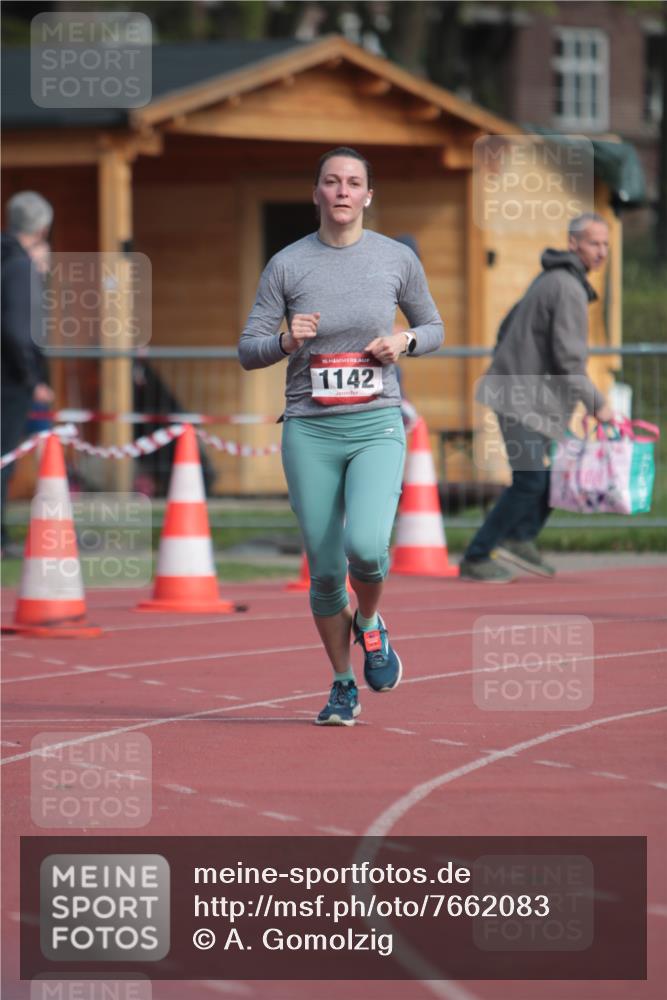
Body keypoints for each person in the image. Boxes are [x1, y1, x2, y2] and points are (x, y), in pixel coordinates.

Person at [239, 147, 444, 726]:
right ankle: (340, 683)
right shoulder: (286, 265)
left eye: (354, 183)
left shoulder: (395, 259)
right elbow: (247, 348)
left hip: (376, 421)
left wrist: (404, 343)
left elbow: (434, 327)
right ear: (317, 193)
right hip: (310, 427)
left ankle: (372, 623)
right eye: (332, 182)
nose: (343, 191)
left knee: (368, 550)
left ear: (368, 196)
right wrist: (283, 341)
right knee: (327, 569)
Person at [459, 213, 613, 583]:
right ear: (573, 244)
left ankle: (520, 538)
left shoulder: (551, 279)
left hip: (530, 400)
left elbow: (505, 326)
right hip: (520, 400)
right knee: (530, 480)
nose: (602, 252)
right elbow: (568, 359)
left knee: (556, 473)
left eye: (606, 244)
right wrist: (598, 404)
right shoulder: (568, 287)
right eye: (595, 243)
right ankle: (477, 557)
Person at [1, 191, 55, 557]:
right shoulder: (19, 266)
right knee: (4, 458)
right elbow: (18, 330)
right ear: (42, 228)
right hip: (8, 381)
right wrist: (33, 379)